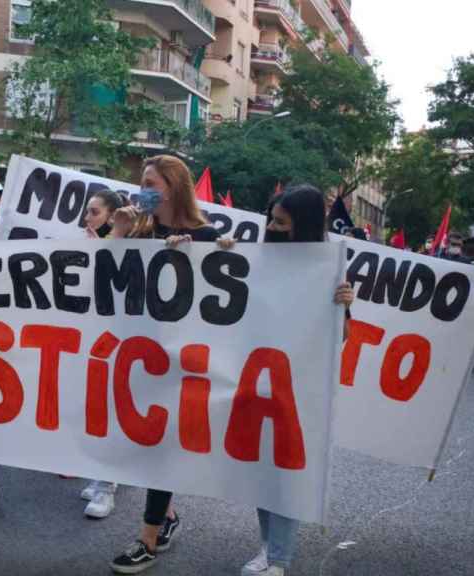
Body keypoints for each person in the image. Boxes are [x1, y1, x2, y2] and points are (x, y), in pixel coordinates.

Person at [227, 185, 354, 576]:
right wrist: (219, 254)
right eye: (271, 218)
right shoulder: (259, 259)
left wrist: (343, 307)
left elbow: (342, 337)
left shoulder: (328, 268)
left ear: (304, 225)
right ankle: (269, 549)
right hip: (258, 379)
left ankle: (278, 558)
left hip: (300, 386)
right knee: (263, 469)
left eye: (281, 222)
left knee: (285, 469)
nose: (271, 227)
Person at [108, 155, 220, 574]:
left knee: (161, 447)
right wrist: (117, 232)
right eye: (141, 182)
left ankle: (147, 540)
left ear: (172, 186)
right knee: (143, 444)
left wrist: (191, 259)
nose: (143, 189)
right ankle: (167, 517)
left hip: (179, 360)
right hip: (135, 353)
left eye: (150, 181)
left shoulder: (206, 234)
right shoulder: (141, 229)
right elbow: (100, 277)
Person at [78, 189, 126, 519]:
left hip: (117, 340)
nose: (87, 218)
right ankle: (100, 475)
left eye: (94, 212)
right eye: (87, 211)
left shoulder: (128, 244)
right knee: (92, 409)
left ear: (111, 216)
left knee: (109, 410)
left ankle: (108, 486)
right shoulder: (86, 241)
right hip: (89, 336)